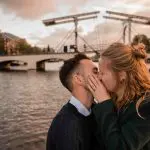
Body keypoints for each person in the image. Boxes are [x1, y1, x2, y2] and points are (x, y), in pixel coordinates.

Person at [87, 42, 150, 150]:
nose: (99, 78)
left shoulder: (145, 106)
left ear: (122, 75)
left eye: (102, 73)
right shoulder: (116, 100)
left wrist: (104, 102)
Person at [46, 53, 98, 150]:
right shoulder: (66, 125)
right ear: (78, 79)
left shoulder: (96, 111)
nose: (101, 76)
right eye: (95, 72)